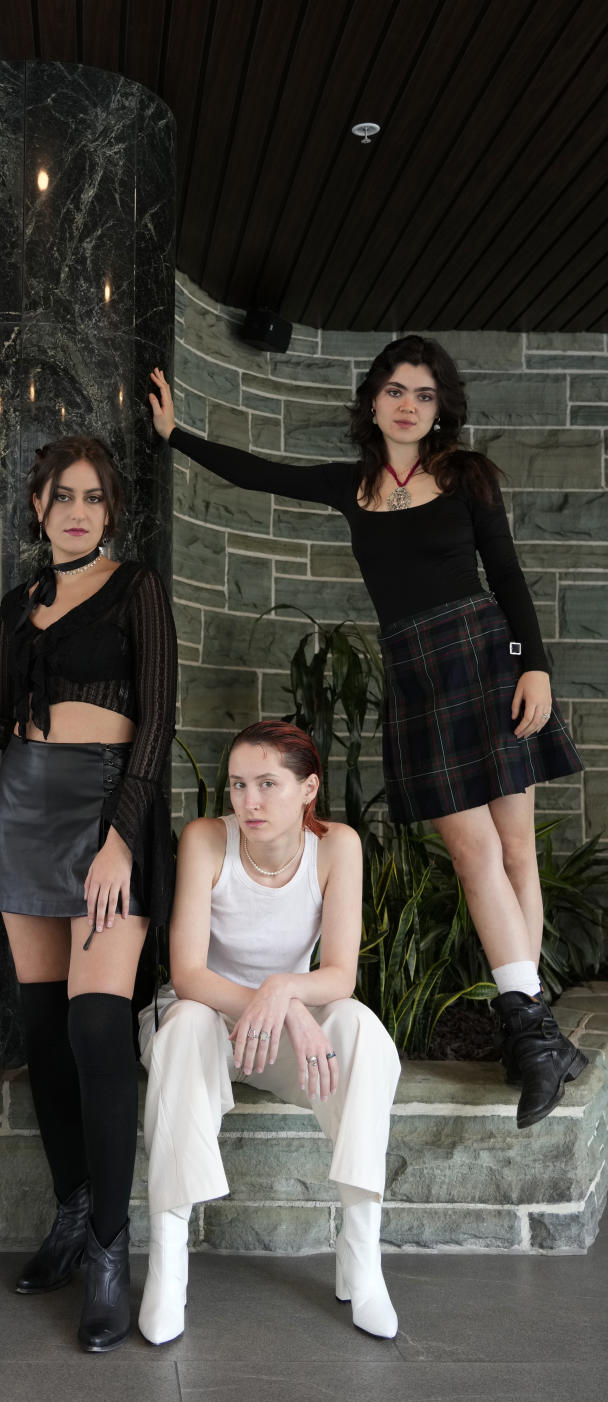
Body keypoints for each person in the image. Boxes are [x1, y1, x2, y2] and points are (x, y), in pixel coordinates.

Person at [149, 342, 586, 1130]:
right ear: (373, 402)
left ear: (441, 405)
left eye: (422, 392)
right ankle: (537, 1035)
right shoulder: (352, 487)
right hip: (419, 673)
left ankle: (531, 1031)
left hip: (486, 661)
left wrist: (536, 667)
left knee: (516, 851)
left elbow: (509, 574)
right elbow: (259, 472)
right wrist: (178, 435)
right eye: (394, 390)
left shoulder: (469, 477)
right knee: (473, 851)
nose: (408, 404)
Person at [0, 435, 177, 1352]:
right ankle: (69, 1212)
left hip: (105, 808)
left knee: (99, 1024)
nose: (77, 510)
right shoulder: (21, 603)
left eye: (93, 497)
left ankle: (108, 1248)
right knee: (46, 1026)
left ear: (111, 510)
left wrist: (121, 835)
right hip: (23, 803)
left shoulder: (138, 588)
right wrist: (24, 685)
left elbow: (157, 721)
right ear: (37, 507)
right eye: (62, 496)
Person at [138, 721, 401, 1345]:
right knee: (183, 1031)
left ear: (308, 788)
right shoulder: (206, 839)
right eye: (237, 785)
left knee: (363, 1030)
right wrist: (275, 1001)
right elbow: (189, 973)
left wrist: (286, 993)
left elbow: (339, 973)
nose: (247, 801)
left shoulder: (338, 846)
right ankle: (168, 1264)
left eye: (266, 784)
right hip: (207, 1018)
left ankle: (361, 1259)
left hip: (287, 1031)